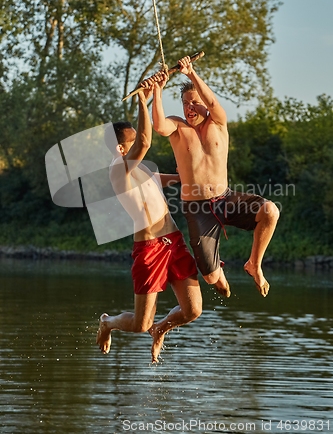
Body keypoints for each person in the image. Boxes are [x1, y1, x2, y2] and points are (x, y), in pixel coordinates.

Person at [96, 72, 202, 363]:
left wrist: (159, 93)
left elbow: (181, 176)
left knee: (193, 311)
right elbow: (144, 142)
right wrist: (143, 99)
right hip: (149, 249)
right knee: (140, 324)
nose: (137, 141)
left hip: (174, 241)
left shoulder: (146, 170)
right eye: (130, 140)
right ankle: (109, 322)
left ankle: (162, 328)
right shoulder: (118, 170)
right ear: (120, 149)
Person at [152, 56, 280, 298]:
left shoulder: (218, 122)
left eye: (195, 103)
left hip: (225, 199)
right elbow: (159, 126)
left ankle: (254, 263)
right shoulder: (178, 128)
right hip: (196, 208)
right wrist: (157, 91)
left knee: (270, 211)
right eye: (185, 104)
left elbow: (211, 101)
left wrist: (191, 74)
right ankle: (217, 270)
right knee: (212, 280)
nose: (190, 108)